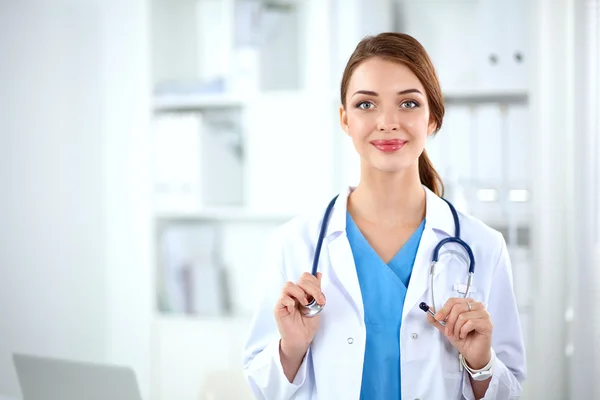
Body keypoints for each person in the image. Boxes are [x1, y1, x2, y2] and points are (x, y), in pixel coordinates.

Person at [242, 32, 526, 400]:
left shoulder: (483, 246)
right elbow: (262, 388)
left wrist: (480, 363)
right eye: (366, 105)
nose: (388, 122)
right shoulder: (296, 243)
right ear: (344, 119)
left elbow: (511, 390)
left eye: (408, 104)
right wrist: (291, 349)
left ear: (433, 119)